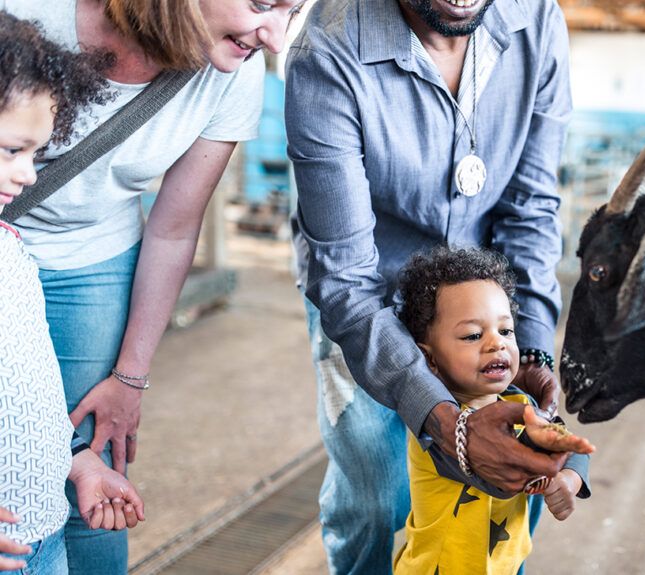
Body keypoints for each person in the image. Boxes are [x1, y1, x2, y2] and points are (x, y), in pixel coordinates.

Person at [0, 0, 304, 572]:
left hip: (89, 254)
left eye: (294, 10)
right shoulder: (26, 12)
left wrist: (128, 377)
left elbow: (173, 226)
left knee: (86, 467)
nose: (277, 38)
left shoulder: (230, 74)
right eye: (263, 4)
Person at [286, 0, 572, 571]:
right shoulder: (328, 49)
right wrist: (448, 425)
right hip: (369, 294)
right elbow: (346, 278)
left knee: (516, 468)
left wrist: (533, 348)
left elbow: (531, 210)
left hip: (485, 304)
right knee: (376, 494)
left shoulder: (536, 19)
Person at [0, 12, 146, 574]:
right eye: (13, 150)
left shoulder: (12, 250)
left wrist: (77, 460)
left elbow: (26, 396)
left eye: (36, 154)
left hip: (45, 541)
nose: (29, 175)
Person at [393, 247, 593, 574]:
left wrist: (569, 479)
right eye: (473, 335)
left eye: (506, 330)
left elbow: (570, 444)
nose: (496, 343)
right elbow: (497, 476)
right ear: (429, 358)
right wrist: (545, 458)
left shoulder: (520, 404)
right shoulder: (435, 427)